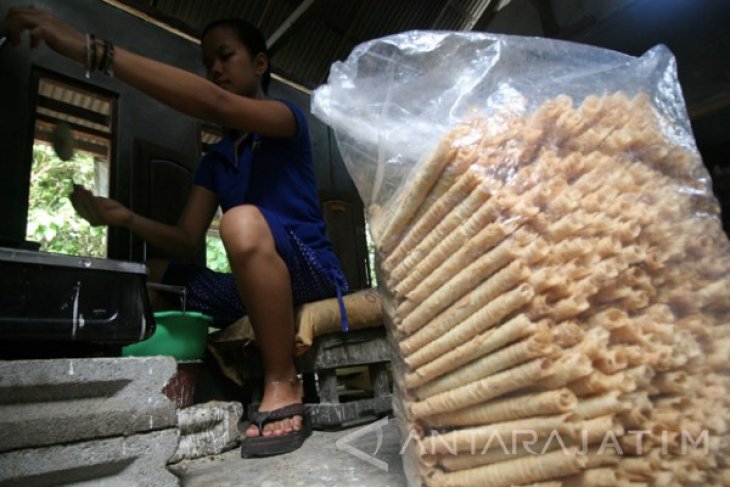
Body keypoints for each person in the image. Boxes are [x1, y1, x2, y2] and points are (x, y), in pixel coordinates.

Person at [1, 6, 348, 457]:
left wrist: (94, 51)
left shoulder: (286, 119)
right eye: (208, 64)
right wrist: (121, 217)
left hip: (311, 270)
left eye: (225, 57)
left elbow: (216, 103)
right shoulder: (218, 159)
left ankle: (281, 381)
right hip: (255, 286)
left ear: (260, 64)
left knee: (240, 220)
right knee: (159, 273)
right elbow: (187, 239)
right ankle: (206, 391)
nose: (216, 70)